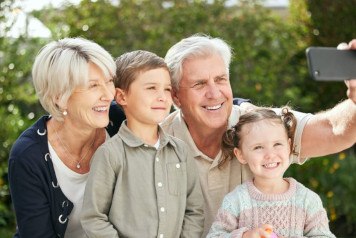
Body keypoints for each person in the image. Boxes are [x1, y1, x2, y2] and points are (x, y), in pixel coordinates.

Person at [160, 34, 356, 236]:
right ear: (175, 95)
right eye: (199, 84)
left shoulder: (261, 125)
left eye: (220, 80)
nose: (214, 93)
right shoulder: (154, 144)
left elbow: (334, 131)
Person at [81, 50, 204, 237]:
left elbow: (194, 211)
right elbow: (94, 218)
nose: (162, 96)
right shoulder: (110, 154)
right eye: (151, 88)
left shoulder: (180, 151)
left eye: (167, 89)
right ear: (122, 97)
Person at [8, 37, 116, 238]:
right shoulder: (28, 156)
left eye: (109, 81)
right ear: (59, 96)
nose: (109, 95)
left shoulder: (119, 122)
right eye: (93, 86)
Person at [207, 108, 335, 238]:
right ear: (240, 155)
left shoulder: (307, 200)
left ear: (289, 146)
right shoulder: (235, 201)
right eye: (258, 147)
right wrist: (245, 236)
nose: (270, 155)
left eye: (277, 144)